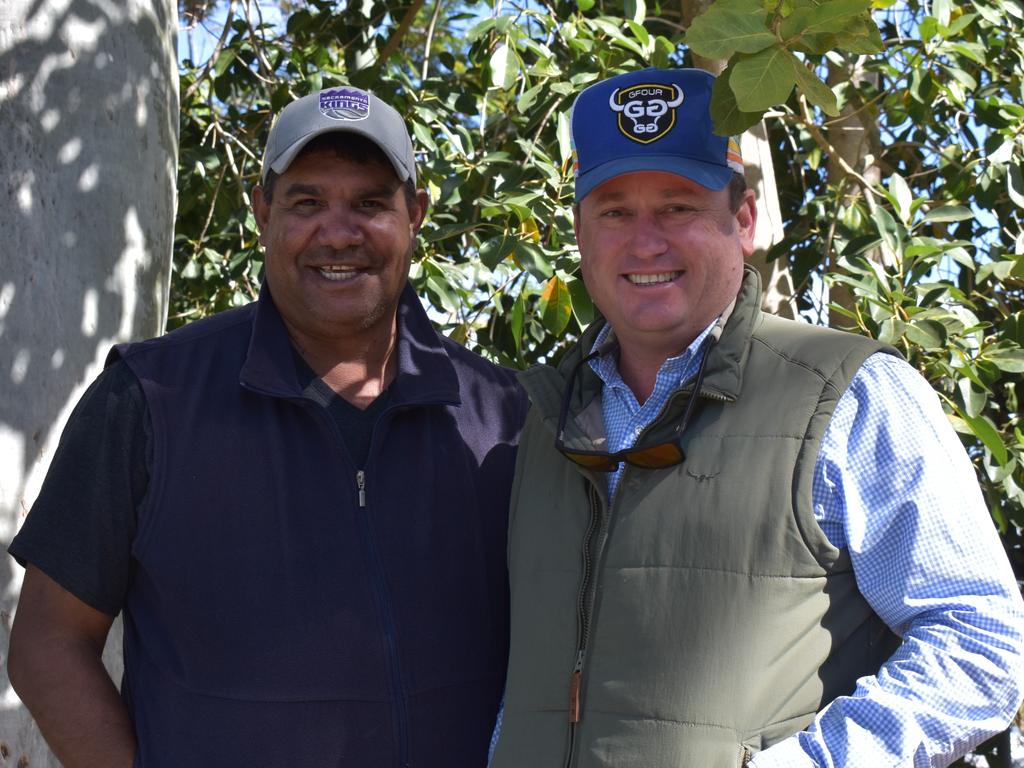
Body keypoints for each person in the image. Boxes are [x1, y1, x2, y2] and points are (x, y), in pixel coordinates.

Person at [488, 67, 1024, 767]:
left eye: (678, 206)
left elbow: (980, 638)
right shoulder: (534, 418)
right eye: (614, 210)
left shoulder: (851, 396)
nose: (645, 242)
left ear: (742, 221)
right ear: (582, 231)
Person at [7, 86, 526, 767]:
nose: (338, 233)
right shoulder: (150, 398)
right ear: (262, 213)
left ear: (416, 216)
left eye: (369, 203)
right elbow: (48, 644)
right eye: (307, 202)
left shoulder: (501, 416)